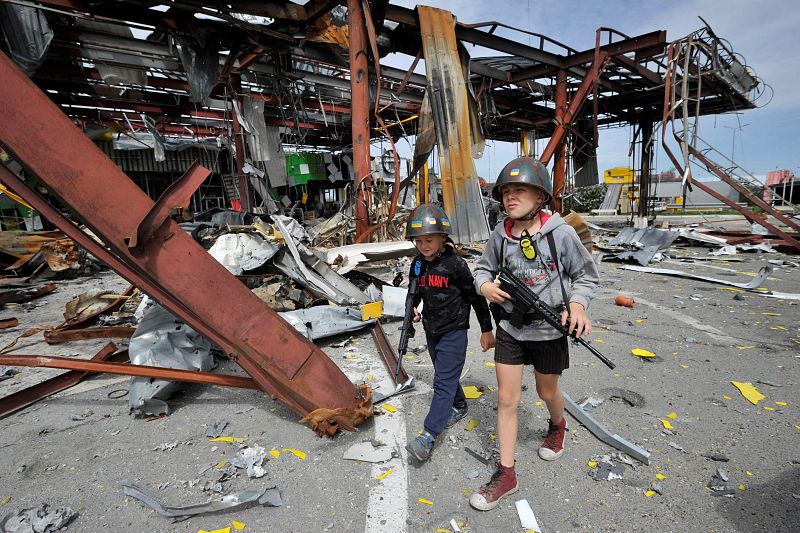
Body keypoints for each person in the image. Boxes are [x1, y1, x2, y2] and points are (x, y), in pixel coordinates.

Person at [469, 157, 599, 510]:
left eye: (520, 190)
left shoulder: (561, 233)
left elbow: (586, 276)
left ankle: (558, 425)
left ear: (541, 195)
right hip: (511, 328)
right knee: (506, 400)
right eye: (506, 192)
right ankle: (506, 473)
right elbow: (483, 268)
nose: (511, 197)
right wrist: (484, 286)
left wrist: (578, 306)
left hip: (549, 330)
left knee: (547, 391)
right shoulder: (502, 233)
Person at [404, 204, 496, 462]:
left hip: (454, 331)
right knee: (446, 374)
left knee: (442, 382)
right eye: (419, 240)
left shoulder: (456, 265)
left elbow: (476, 298)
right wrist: (411, 312)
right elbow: (414, 293)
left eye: (429, 240)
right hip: (431, 329)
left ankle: (427, 436)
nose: (424, 245)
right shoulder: (418, 264)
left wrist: (487, 329)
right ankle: (459, 405)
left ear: (443, 237)